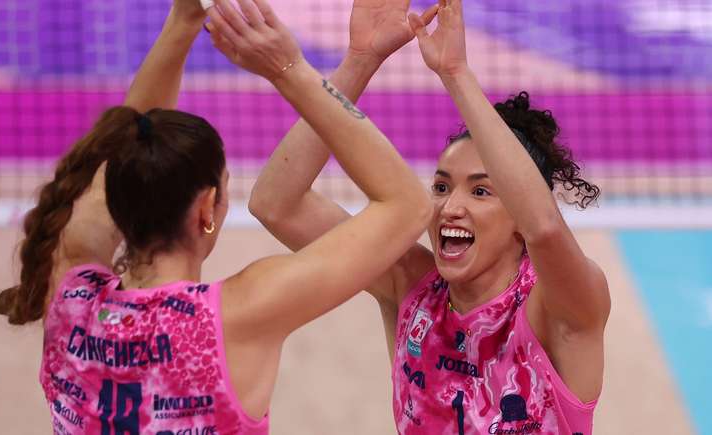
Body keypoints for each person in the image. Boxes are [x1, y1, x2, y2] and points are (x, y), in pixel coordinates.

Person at [0, 0, 432, 433]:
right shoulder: (242, 312)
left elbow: (132, 143)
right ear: (207, 208)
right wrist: (289, 69)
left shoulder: (70, 298)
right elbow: (406, 205)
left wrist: (183, 19)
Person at [249, 0, 610, 433]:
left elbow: (545, 228)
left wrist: (455, 74)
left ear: (518, 209)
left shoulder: (562, 306)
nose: (450, 207)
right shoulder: (410, 285)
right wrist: (360, 61)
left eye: (480, 191)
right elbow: (277, 204)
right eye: (441, 187)